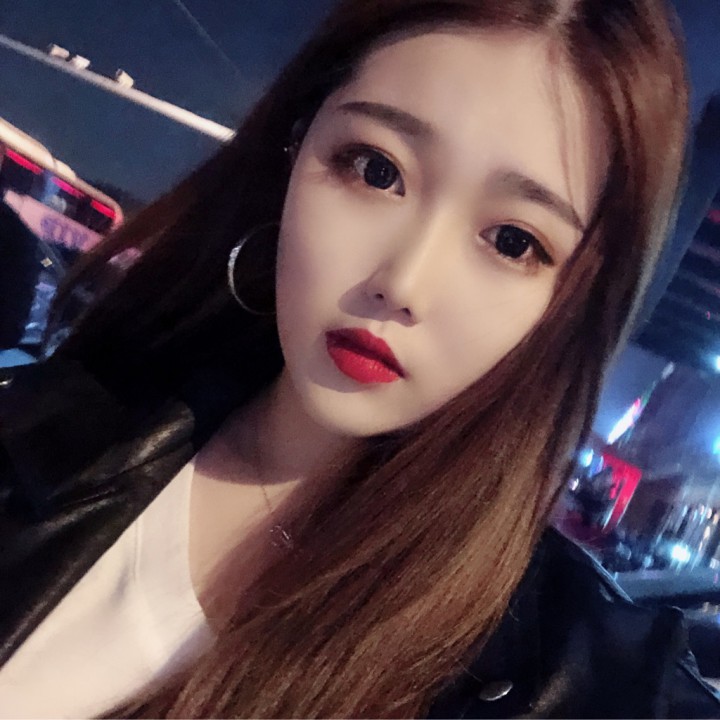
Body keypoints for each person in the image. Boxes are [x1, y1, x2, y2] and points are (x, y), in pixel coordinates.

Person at [0, 0, 718, 717]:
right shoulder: (53, 427)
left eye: (512, 242)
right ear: (295, 146)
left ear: (570, 303)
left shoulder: (587, 681)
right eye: (376, 170)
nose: (403, 284)